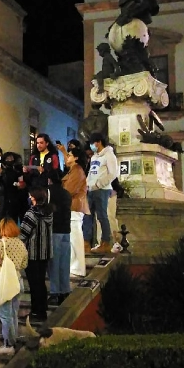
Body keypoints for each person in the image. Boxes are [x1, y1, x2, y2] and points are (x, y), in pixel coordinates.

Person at [0, 218, 27, 356]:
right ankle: (13, 341)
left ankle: (9, 344)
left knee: (5, 316)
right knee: (13, 314)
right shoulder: (21, 244)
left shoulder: (0, 243)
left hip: (4, 282)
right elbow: (24, 265)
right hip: (18, 281)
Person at [20, 188, 54, 321]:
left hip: (32, 253)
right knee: (41, 282)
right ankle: (42, 310)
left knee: (34, 284)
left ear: (34, 198)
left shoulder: (31, 213)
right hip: (45, 252)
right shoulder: (49, 212)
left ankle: (35, 312)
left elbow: (23, 233)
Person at [87, 132, 120, 254]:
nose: (91, 146)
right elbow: (92, 172)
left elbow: (113, 173)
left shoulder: (109, 155)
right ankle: (96, 242)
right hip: (92, 190)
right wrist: (88, 184)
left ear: (98, 142)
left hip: (105, 190)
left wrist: (99, 184)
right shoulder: (94, 157)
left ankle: (111, 242)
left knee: (105, 216)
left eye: (92, 143)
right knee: (94, 217)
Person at [45, 169, 73, 307]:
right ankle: (65, 290)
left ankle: (55, 292)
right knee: (64, 262)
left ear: (49, 180)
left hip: (54, 230)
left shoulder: (49, 192)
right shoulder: (67, 193)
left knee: (54, 263)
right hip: (66, 230)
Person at [63, 146, 91, 277]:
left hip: (74, 206)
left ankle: (77, 268)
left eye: (69, 155)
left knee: (75, 239)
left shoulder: (77, 171)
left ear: (76, 157)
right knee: (72, 238)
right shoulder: (73, 170)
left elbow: (69, 190)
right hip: (72, 207)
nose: (67, 157)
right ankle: (74, 266)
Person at [0, 151, 29, 223]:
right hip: (11, 198)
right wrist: (17, 184)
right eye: (8, 159)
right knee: (13, 219)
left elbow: (25, 180)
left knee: (24, 219)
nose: (10, 160)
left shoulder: (18, 169)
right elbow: (7, 182)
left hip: (22, 198)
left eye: (11, 158)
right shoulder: (5, 171)